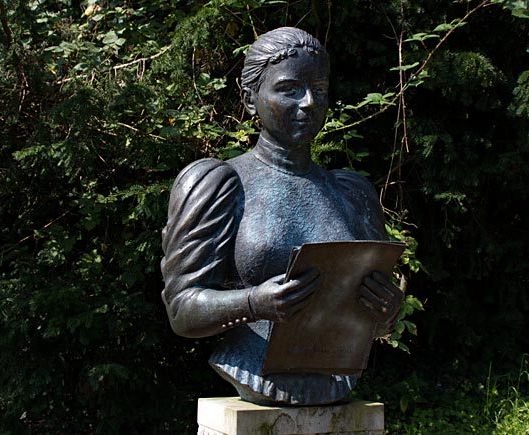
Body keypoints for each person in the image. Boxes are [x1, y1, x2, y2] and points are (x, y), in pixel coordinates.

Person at [161, 27, 403, 405]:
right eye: (290, 89)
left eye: (319, 90)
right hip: (249, 366)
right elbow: (182, 310)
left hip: (336, 378)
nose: (308, 103)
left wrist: (386, 310)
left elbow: (371, 313)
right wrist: (253, 303)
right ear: (250, 99)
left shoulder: (352, 193)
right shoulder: (220, 183)